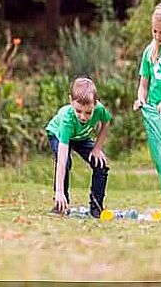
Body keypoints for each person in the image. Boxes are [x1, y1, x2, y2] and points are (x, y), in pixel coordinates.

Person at [45, 77, 111, 218]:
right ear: (71, 101)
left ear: (95, 104)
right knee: (66, 163)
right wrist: (59, 191)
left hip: (81, 137)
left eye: (88, 112)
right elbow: (62, 161)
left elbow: (106, 122)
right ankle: (61, 204)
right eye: (78, 111)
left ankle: (96, 207)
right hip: (58, 135)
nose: (83, 117)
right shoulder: (67, 120)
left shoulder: (99, 110)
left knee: (101, 165)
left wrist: (97, 148)